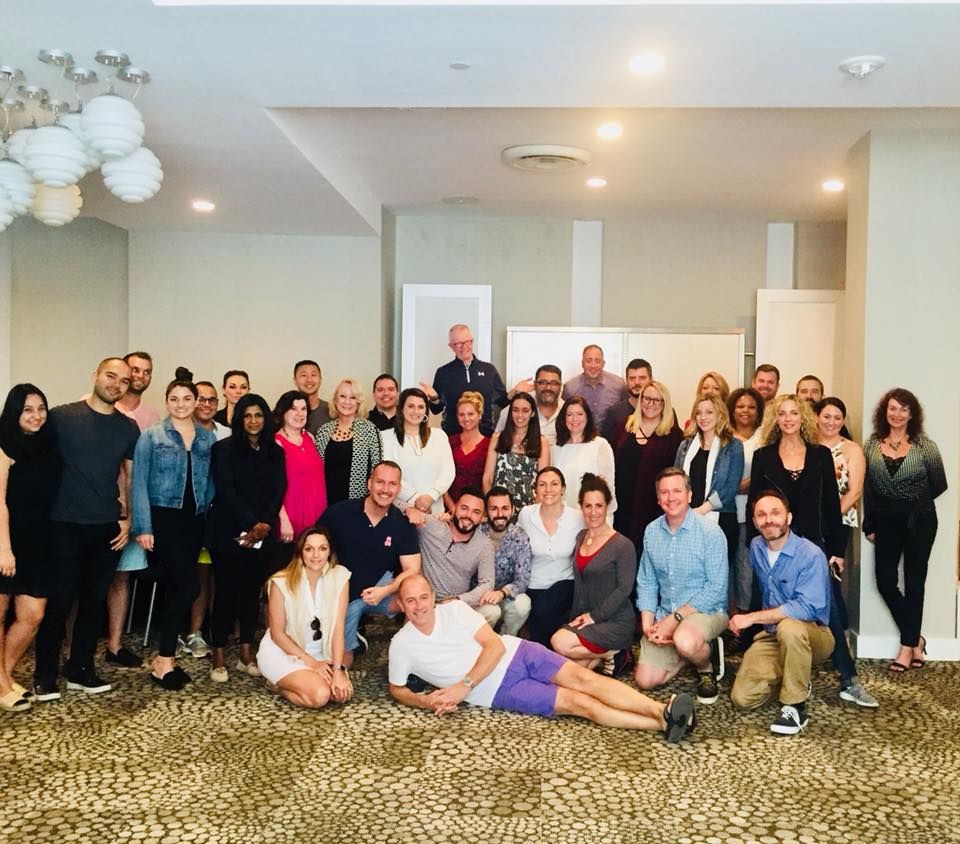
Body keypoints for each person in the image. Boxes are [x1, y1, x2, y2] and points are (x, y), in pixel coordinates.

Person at [388, 574, 696, 743]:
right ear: (401, 604)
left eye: (424, 597)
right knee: (580, 704)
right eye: (411, 600)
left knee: (585, 679)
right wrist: (425, 701)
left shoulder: (454, 610)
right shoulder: (402, 645)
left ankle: (661, 709)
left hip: (516, 652)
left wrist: (462, 687)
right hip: (498, 690)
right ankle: (662, 722)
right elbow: (397, 689)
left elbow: (494, 647)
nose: (419, 606)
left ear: (433, 596)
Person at [748, 394, 876, 708]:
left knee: (830, 611)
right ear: (775, 419)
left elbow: (832, 506)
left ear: (803, 417)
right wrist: (759, 546)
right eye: (782, 413)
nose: (788, 419)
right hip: (775, 545)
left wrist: (837, 550)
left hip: (814, 546)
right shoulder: (763, 457)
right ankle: (777, 670)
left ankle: (849, 680)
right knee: (773, 606)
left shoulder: (820, 455)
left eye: (794, 413)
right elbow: (756, 504)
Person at [33, 358, 140, 700]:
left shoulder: (128, 428)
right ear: (95, 376)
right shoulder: (61, 417)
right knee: (61, 601)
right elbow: (34, 459)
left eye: (124, 381)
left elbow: (130, 477)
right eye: (111, 376)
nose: (116, 384)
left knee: (94, 604)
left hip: (106, 527)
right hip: (63, 523)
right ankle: (45, 674)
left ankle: (80, 668)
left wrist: (129, 518)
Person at [131, 369, 216, 691]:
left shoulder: (207, 438)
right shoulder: (152, 436)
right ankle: (164, 658)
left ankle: (166, 659)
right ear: (167, 401)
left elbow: (211, 482)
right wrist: (143, 526)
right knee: (189, 586)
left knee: (176, 587)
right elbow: (138, 482)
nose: (180, 404)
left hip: (194, 521)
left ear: (196, 402)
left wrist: (207, 513)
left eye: (186, 398)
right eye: (174, 399)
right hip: (163, 518)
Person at [729, 491, 835, 735]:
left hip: (814, 634)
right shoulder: (756, 547)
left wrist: (751, 617)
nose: (769, 520)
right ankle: (796, 675)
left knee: (790, 626)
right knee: (743, 698)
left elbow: (806, 608)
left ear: (788, 517)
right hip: (773, 635)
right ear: (755, 522)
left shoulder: (810, 554)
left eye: (775, 513)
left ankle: (795, 707)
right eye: (761, 515)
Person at [863, 388, 947, 674]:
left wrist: (910, 500)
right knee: (885, 582)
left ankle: (906, 646)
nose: (897, 414)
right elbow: (868, 489)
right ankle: (916, 639)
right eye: (892, 408)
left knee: (915, 581)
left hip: (919, 521)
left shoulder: (925, 446)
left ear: (912, 414)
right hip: (885, 522)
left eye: (903, 409)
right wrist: (870, 524)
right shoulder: (872, 444)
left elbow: (939, 484)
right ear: (884, 411)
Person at [206, 394, 287, 683]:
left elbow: (279, 490)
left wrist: (264, 525)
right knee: (226, 591)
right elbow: (226, 492)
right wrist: (252, 524)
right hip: (229, 530)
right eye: (247, 415)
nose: (253, 421)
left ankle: (245, 652)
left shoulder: (275, 451)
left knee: (251, 592)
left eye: (258, 415)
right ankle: (218, 653)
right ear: (239, 419)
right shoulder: (223, 449)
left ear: (266, 418)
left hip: (263, 532)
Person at [635, 468, 728, 705]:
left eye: (677, 491)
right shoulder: (651, 531)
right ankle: (689, 652)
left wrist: (675, 619)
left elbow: (716, 588)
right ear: (658, 499)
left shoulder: (710, 533)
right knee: (645, 680)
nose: (671, 498)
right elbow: (647, 580)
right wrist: (647, 624)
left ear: (689, 495)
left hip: (707, 612)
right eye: (664, 493)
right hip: (667, 612)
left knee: (685, 639)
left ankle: (706, 667)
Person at [317, 461, 421, 664]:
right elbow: (312, 545)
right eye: (380, 482)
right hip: (344, 596)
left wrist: (385, 590)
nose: (385, 489)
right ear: (369, 484)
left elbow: (412, 569)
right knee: (342, 661)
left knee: (417, 593)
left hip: (380, 591)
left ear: (399, 489)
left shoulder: (402, 524)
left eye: (392, 484)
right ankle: (352, 640)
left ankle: (408, 652)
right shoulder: (340, 513)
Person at [0, 385, 62, 711]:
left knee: (32, 614)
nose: (36, 415)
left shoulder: (49, 445)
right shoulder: (3, 446)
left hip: (40, 541)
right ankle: (2, 685)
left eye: (41, 408)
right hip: (6, 540)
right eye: (27, 409)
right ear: (14, 412)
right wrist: (4, 549)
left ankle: (4, 676)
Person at [104, 351, 161, 670]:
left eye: (146, 371)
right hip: (95, 507)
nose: (140, 376)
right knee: (84, 581)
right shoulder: (95, 406)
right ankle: (70, 648)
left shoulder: (152, 416)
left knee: (121, 577)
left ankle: (114, 645)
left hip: (131, 511)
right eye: (135, 370)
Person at [256, 527, 352, 709]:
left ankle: (301, 683)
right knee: (320, 696)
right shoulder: (281, 581)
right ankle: (277, 686)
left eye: (322, 548)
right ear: (300, 552)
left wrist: (338, 670)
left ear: (329, 551)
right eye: (309, 549)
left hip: (320, 653)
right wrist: (312, 664)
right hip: (284, 652)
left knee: (340, 695)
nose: (316, 555)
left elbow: (338, 629)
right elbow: (277, 635)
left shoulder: (340, 577)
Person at [550, 474, 636, 677]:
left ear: (608, 506)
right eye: (588, 506)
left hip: (615, 621)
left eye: (599, 505)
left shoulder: (623, 545)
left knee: (559, 642)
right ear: (581, 507)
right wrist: (577, 619)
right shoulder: (581, 537)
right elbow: (582, 585)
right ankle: (608, 657)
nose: (593, 512)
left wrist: (594, 617)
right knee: (570, 674)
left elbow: (624, 589)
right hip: (587, 619)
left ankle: (614, 651)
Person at [181, 380, 231, 659]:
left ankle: (203, 631)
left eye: (212, 400)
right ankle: (186, 631)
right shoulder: (181, 430)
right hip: (188, 516)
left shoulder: (225, 433)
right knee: (191, 576)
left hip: (218, 516)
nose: (207, 404)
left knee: (212, 574)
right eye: (201, 398)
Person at [674, 395, 743, 572]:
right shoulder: (685, 446)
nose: (703, 417)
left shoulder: (733, 446)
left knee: (716, 575)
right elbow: (676, 481)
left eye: (709, 412)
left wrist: (702, 510)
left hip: (720, 520)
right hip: (686, 518)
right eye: (699, 413)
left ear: (720, 414)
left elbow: (731, 487)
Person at [517, 467, 584, 647]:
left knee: (542, 610)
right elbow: (517, 548)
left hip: (564, 581)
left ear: (563, 489)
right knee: (536, 617)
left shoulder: (577, 518)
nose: (548, 489)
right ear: (535, 489)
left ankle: (546, 655)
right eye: (542, 484)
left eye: (554, 484)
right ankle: (554, 654)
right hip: (532, 583)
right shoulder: (526, 514)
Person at [612, 380, 683, 550]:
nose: (651, 404)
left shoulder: (674, 435)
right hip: (623, 504)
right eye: (647, 398)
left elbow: (676, 473)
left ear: (664, 404)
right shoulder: (624, 427)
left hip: (655, 506)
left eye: (657, 400)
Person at [406, 487, 494, 610]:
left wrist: (458, 600)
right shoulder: (431, 525)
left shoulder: (484, 545)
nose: (468, 515)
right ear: (454, 508)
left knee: (492, 610)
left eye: (476, 512)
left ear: (483, 518)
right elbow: (394, 504)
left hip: (456, 606)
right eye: (464, 508)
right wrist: (408, 509)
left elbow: (487, 583)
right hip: (423, 602)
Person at [424, 324, 509, 437]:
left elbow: (503, 402)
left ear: (472, 341)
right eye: (458, 343)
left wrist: (515, 392)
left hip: (485, 437)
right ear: (451, 346)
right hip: (453, 437)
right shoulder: (443, 372)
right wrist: (434, 398)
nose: (464, 347)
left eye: (467, 342)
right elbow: (436, 409)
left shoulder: (489, 370)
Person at [382, 388, 455, 515]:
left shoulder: (439, 436)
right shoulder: (385, 438)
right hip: (402, 512)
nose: (416, 411)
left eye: (421, 407)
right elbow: (389, 475)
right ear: (401, 409)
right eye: (411, 406)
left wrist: (431, 496)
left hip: (436, 512)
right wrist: (416, 501)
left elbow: (448, 472)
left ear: (426, 411)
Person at [314, 378, 383, 504]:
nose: (347, 402)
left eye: (353, 397)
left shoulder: (369, 430)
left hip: (358, 504)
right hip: (326, 503)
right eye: (343, 396)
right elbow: (315, 470)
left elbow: (378, 470)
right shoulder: (324, 431)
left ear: (358, 402)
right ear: (335, 400)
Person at [727, 387, 765, 614]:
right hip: (726, 508)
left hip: (751, 509)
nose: (745, 411)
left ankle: (744, 613)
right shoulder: (724, 435)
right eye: (740, 406)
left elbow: (766, 469)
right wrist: (731, 486)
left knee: (745, 564)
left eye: (751, 407)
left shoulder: (764, 435)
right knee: (726, 563)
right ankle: (726, 613)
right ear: (732, 409)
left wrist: (743, 484)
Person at [273, 391, 327, 547]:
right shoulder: (276, 443)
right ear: (283, 412)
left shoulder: (310, 437)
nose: (299, 413)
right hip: (291, 518)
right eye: (293, 409)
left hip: (317, 513)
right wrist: (284, 520)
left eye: (303, 409)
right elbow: (272, 487)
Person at [476, 487, 532, 635]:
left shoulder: (520, 536)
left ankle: (506, 638)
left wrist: (502, 593)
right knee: (491, 611)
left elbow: (522, 579)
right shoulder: (476, 532)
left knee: (523, 604)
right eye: (494, 509)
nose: (500, 514)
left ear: (513, 510)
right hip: (478, 597)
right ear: (486, 511)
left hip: (505, 595)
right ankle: (480, 642)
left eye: (505, 508)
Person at [551, 397, 616, 521]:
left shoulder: (600, 445)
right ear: (563, 419)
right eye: (569, 415)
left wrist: (606, 517)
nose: (574, 419)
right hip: (563, 517)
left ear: (587, 417)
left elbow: (608, 486)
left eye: (579, 414)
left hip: (593, 517)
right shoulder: (557, 447)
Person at [482, 392, 550, 508]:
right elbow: (487, 478)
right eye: (515, 410)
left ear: (533, 413)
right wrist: (492, 505)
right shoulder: (497, 438)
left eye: (525, 410)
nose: (519, 415)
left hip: (529, 508)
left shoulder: (541, 442)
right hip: (499, 508)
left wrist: (534, 511)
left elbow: (543, 482)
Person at [561, 345, 628, 432]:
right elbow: (564, 418)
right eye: (589, 361)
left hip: (612, 438)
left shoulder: (619, 385)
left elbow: (626, 411)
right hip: (581, 438)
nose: (593, 365)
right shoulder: (570, 388)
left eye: (597, 361)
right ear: (582, 364)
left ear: (603, 364)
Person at [495, 364, 565, 446]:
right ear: (535, 384)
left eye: (554, 383)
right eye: (542, 383)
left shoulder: (567, 410)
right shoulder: (520, 407)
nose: (548, 388)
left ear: (560, 386)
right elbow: (497, 441)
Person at [443, 391, 490, 511]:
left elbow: (489, 481)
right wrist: (452, 508)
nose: (466, 418)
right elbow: (441, 476)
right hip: (449, 507)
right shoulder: (449, 441)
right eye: (461, 414)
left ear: (480, 415)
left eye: (471, 414)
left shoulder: (490, 445)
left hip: (476, 509)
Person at [600, 358, 652, 443]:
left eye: (642, 378)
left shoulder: (663, 411)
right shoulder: (614, 413)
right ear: (627, 381)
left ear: (651, 379)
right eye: (632, 378)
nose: (637, 382)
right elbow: (605, 447)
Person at [293, 359, 331, 433]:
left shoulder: (332, 411)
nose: (309, 380)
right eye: (303, 375)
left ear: (320, 379)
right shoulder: (284, 411)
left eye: (313, 375)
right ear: (295, 380)